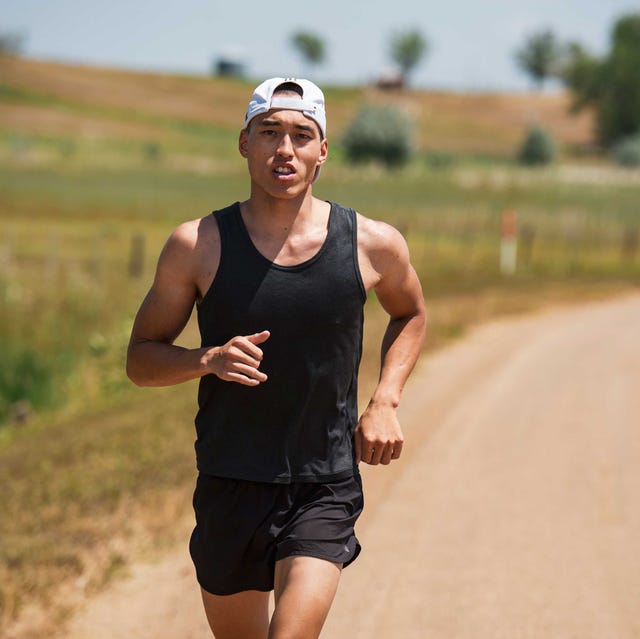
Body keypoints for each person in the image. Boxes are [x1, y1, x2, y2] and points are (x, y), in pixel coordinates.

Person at [126, 77, 426, 639]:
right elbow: (141, 359)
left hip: (324, 482)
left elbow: (411, 313)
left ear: (322, 152)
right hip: (229, 478)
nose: (284, 149)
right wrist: (206, 359)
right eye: (269, 132)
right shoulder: (196, 245)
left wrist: (385, 400)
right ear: (244, 143)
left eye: (301, 135)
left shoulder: (371, 243)